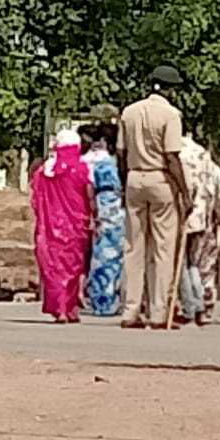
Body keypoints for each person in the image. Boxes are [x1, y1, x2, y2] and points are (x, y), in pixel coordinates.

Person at [118, 64, 191, 330]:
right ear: (170, 89)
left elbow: (121, 153)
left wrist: (124, 182)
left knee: (133, 247)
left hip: (135, 177)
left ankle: (130, 310)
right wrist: (184, 191)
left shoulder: (129, 112)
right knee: (162, 249)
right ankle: (159, 312)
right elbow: (172, 156)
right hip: (160, 178)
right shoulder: (171, 115)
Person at [30, 129, 94, 323]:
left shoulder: (43, 171)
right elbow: (89, 193)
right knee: (74, 266)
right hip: (75, 225)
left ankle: (60, 308)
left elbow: (35, 199)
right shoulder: (82, 168)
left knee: (54, 268)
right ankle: (70, 306)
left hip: (50, 226)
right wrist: (94, 215)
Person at [178, 135, 220, 326]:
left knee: (181, 263)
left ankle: (189, 306)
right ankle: (199, 306)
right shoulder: (205, 159)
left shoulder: (179, 153)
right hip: (202, 216)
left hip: (185, 213)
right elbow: (215, 192)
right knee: (193, 263)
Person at [83, 121, 126, 317]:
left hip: (102, 205)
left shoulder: (97, 163)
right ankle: (111, 299)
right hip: (117, 207)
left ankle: (99, 299)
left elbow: (89, 186)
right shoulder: (118, 164)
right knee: (115, 256)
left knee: (100, 255)